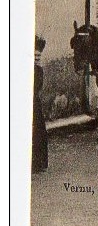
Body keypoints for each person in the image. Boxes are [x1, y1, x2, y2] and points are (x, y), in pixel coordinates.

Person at [32, 36, 48, 174]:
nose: (37, 58)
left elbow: (38, 87)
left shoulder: (39, 70)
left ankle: (39, 163)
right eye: (35, 55)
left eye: (39, 56)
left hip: (35, 103)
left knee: (39, 132)